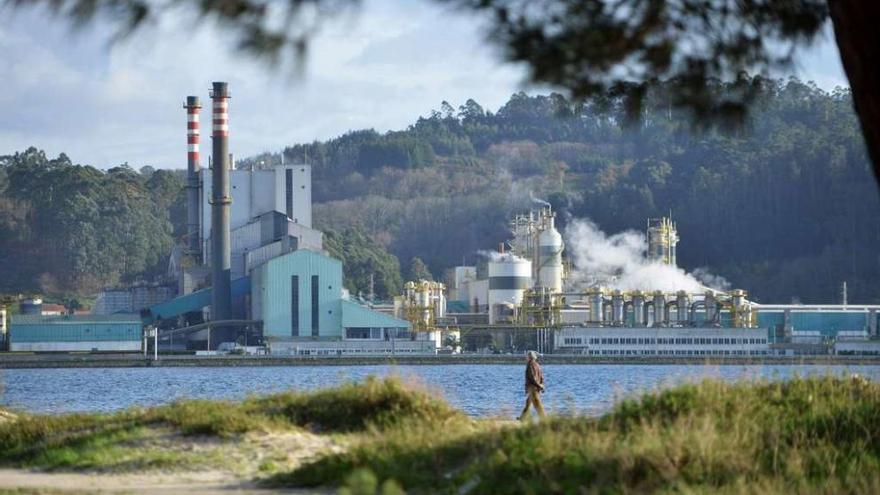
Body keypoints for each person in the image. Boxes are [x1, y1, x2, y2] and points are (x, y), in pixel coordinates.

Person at [518, 350, 546, 420]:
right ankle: (522, 417)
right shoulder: (537, 365)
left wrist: (538, 386)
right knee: (528, 403)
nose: (526, 358)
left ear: (530, 357)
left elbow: (532, 378)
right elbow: (541, 376)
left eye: (527, 356)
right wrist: (541, 385)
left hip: (533, 388)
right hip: (536, 387)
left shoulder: (530, 365)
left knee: (537, 404)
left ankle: (544, 419)